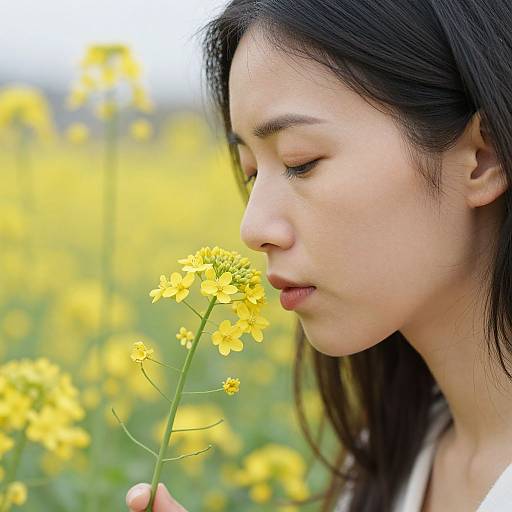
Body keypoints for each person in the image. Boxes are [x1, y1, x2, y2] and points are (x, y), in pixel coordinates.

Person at [127, 0, 512, 510]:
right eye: (250, 172)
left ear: (481, 160)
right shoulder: (379, 467)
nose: (253, 228)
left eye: (301, 163)